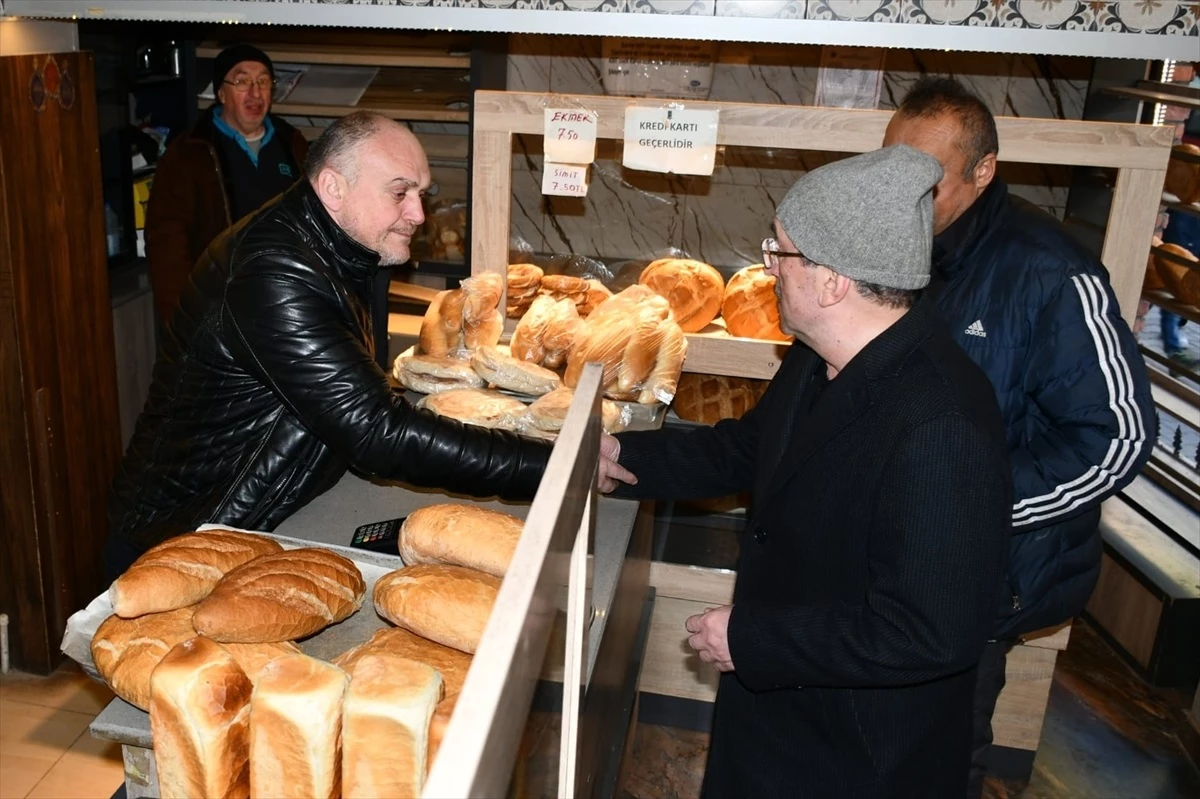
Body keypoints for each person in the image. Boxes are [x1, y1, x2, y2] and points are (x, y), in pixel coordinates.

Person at [598, 145, 1014, 798]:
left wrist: (753, 636)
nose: (767, 269)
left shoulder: (944, 424)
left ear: (831, 280)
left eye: (780, 252)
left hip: (854, 756)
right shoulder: (819, 355)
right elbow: (750, 449)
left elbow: (929, 632)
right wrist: (625, 458)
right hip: (777, 722)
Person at [105, 112, 551, 580]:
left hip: (263, 516)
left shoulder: (348, 246)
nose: (418, 214)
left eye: (421, 194)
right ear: (334, 188)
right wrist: (555, 466)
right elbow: (377, 433)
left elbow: (358, 399)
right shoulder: (273, 273)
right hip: (178, 544)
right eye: (400, 193)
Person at [881, 77, 1154, 798]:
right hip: (890, 554)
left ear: (984, 170)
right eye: (891, 170)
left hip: (981, 572)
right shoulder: (894, 245)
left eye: (928, 180)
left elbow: (1118, 436)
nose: (902, 195)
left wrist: (975, 506)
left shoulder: (1052, 273)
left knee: (941, 755)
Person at [145, 44, 309, 325]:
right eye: (243, 81)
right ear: (221, 93)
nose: (255, 93)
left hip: (286, 301)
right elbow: (167, 244)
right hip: (218, 306)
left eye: (263, 82)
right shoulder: (189, 152)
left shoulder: (292, 144)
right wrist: (183, 316)